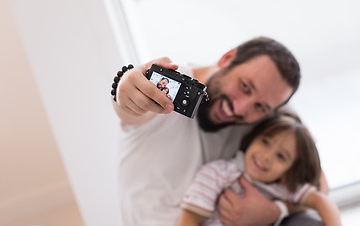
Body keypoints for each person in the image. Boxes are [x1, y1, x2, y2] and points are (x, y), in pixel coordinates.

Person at [113, 36, 327, 225]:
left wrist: (275, 211)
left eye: (260, 106)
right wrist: (127, 88)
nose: (240, 108)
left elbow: (319, 188)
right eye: (245, 86)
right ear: (226, 58)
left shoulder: (267, 114)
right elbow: (130, 107)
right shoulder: (171, 86)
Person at [178, 109, 341, 226]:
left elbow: (322, 201)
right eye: (265, 142)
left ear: (288, 173)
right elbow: (190, 219)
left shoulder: (283, 187)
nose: (266, 156)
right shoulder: (217, 172)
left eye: (281, 156)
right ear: (252, 139)